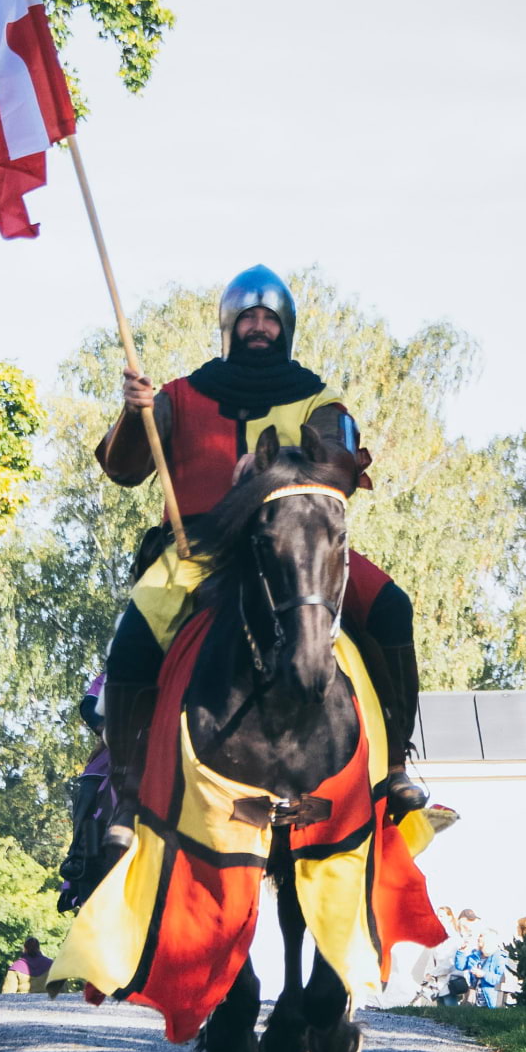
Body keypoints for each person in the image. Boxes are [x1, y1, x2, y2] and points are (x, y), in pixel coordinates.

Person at [95, 265, 425, 847]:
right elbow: (124, 469)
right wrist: (134, 411)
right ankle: (125, 793)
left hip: (295, 548)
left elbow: (339, 470)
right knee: (132, 642)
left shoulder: (319, 399)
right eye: (248, 316)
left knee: (392, 607)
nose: (258, 326)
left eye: (270, 317)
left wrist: (275, 474)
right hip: (197, 550)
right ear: (228, 325)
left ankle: (395, 763)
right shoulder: (177, 395)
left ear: (286, 328)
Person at [453, 930, 507, 1007]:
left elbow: (500, 979)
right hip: (474, 998)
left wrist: (484, 974)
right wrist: (461, 951)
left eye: (481, 936)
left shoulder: (499, 957)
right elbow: (460, 966)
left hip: (491, 1000)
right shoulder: (475, 955)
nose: (478, 938)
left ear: (490, 940)